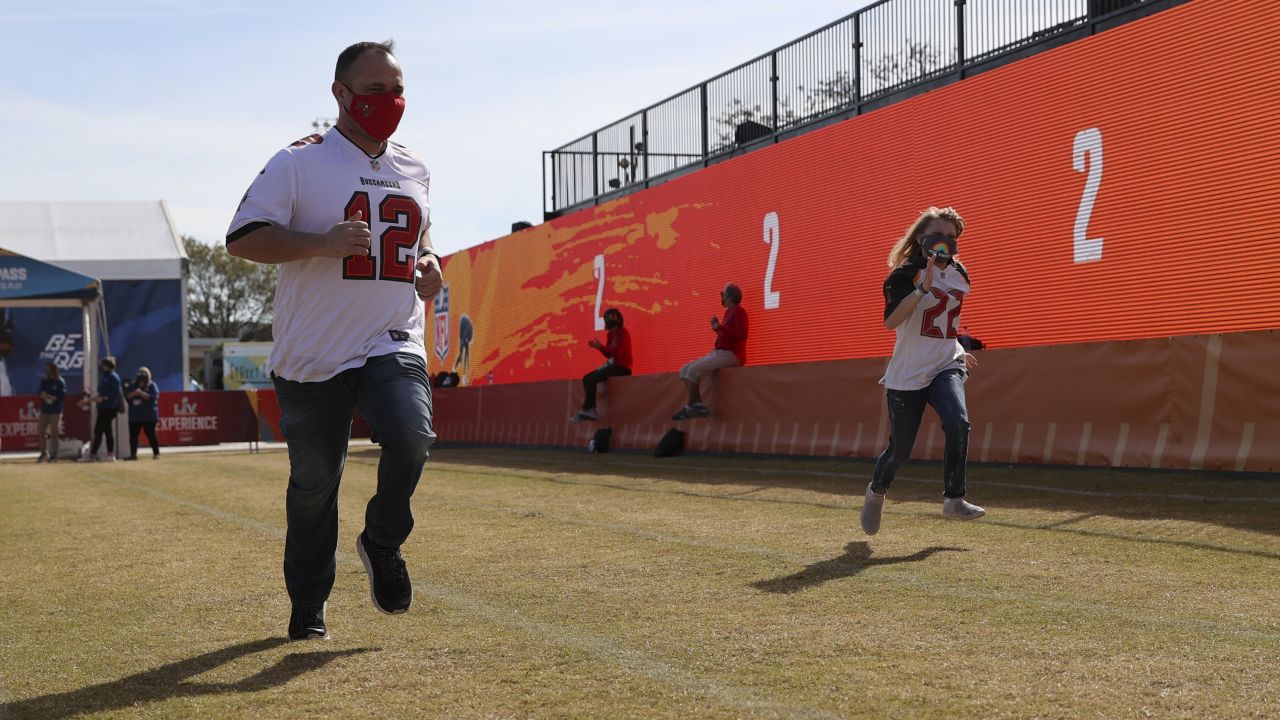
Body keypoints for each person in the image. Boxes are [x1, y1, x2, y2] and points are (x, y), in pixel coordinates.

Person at [226, 40, 443, 642]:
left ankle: (381, 539)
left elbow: (423, 237)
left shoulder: (415, 167)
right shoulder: (299, 162)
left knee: (411, 435)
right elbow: (243, 238)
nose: (389, 101)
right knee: (314, 484)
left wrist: (428, 263)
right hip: (313, 350)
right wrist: (320, 242)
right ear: (340, 94)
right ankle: (308, 600)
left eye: (396, 88)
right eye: (375, 90)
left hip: (390, 337)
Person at [860, 207, 985, 536]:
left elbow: (946, 320)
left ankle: (954, 498)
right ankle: (876, 491)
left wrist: (957, 346)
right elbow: (891, 323)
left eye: (951, 237)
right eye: (938, 234)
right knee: (899, 449)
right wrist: (921, 289)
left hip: (947, 362)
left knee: (958, 422)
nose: (945, 242)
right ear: (920, 237)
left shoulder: (960, 273)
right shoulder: (906, 274)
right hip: (910, 371)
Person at [671, 283, 748, 421]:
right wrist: (718, 329)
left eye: (723, 294)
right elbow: (727, 335)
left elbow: (741, 335)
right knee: (684, 370)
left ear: (729, 296)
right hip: (720, 352)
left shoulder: (739, 311)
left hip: (731, 355)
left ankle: (690, 407)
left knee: (693, 372)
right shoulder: (728, 312)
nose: (721, 297)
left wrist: (720, 328)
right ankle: (698, 404)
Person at [570, 307, 633, 422]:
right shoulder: (610, 334)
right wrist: (600, 348)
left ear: (618, 318)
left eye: (612, 317)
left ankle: (588, 409)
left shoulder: (623, 332)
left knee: (593, 378)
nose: (609, 319)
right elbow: (610, 354)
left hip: (623, 366)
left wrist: (601, 347)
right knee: (587, 378)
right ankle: (590, 408)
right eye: (607, 317)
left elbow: (618, 352)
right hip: (613, 365)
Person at [83, 356, 122, 462]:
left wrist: (104, 398)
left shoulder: (113, 377)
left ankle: (95, 455)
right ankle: (108, 454)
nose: (102, 366)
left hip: (109, 408)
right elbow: (100, 392)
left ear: (108, 366)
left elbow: (115, 393)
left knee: (99, 430)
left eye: (104, 365)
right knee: (106, 430)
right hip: (102, 408)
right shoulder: (104, 376)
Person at [124, 366, 161, 460]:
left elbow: (154, 397)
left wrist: (142, 394)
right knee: (133, 436)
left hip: (148, 416)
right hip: (135, 416)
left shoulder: (152, 385)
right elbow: (127, 396)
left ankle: (156, 453)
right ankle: (133, 454)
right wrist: (133, 394)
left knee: (150, 434)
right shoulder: (132, 385)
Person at [35, 363, 66, 463]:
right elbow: (39, 391)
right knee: (41, 431)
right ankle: (44, 453)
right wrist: (43, 395)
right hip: (45, 409)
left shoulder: (60, 381)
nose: (47, 371)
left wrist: (53, 398)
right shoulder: (45, 380)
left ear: (54, 370)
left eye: (49, 369)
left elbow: (62, 396)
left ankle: (54, 456)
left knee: (54, 432)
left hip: (55, 410)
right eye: (46, 369)